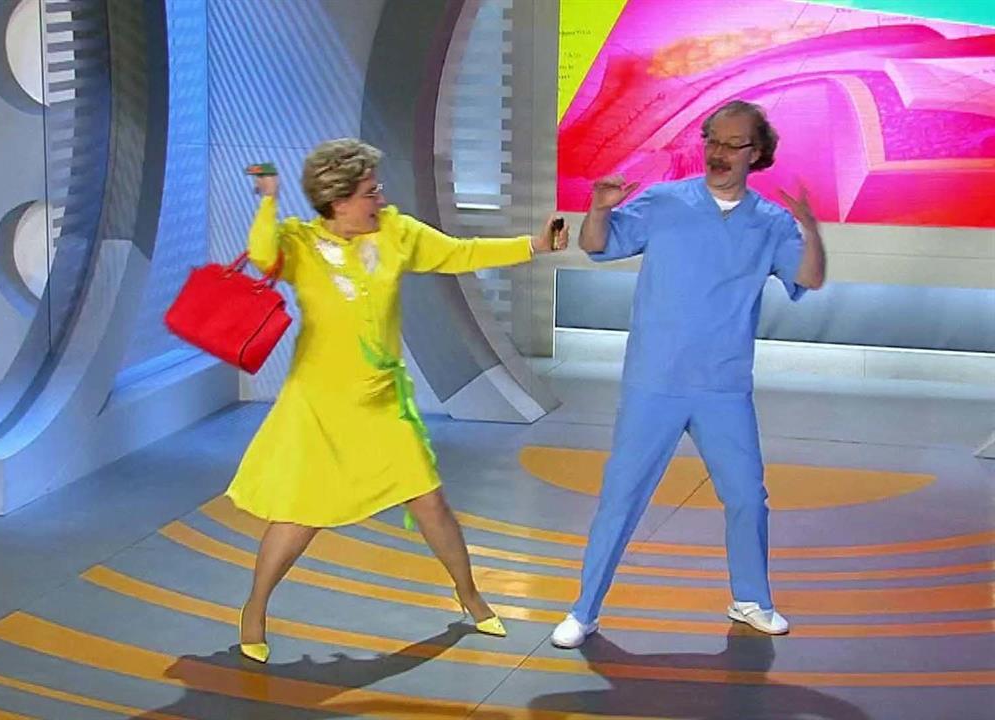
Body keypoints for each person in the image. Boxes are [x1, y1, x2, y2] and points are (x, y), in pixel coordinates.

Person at [227, 138, 567, 662]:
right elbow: (262, 255)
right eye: (370, 192)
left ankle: (470, 595)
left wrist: (534, 245)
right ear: (339, 201)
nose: (381, 199)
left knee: (430, 501)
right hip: (319, 409)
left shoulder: (396, 233)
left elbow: (459, 253)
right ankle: (254, 609)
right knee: (302, 515)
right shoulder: (300, 244)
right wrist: (268, 198)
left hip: (383, 403)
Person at [551, 100, 827, 648]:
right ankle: (584, 611)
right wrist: (600, 209)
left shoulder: (771, 223)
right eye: (712, 141)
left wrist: (811, 230)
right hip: (654, 380)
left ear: (756, 153)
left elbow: (810, 279)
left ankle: (751, 598)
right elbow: (596, 243)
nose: (718, 153)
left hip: (723, 386)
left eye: (732, 144)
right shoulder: (664, 201)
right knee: (621, 496)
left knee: (746, 496)